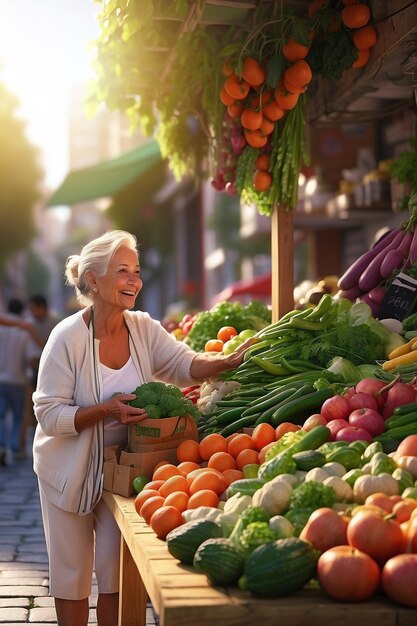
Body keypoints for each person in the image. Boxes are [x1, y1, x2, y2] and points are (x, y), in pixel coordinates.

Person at [32, 230, 255, 626]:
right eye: (122, 271)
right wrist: (104, 410)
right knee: (72, 578)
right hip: (68, 470)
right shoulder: (65, 338)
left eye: (136, 271)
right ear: (94, 280)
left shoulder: (143, 328)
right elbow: (48, 414)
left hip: (125, 471)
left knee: (117, 575)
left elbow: (184, 364)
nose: (134, 280)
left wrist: (226, 361)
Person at [0, 298, 40, 465]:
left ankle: (1, 445)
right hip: (18, 380)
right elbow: (31, 358)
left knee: (0, 416)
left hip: (1, 380)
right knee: (18, 417)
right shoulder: (23, 330)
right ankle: (16, 448)